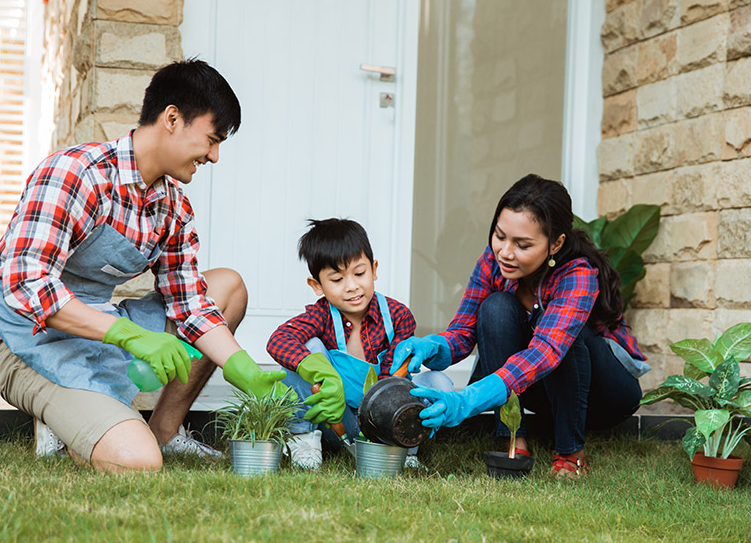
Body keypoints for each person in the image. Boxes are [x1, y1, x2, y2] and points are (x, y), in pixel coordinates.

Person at [0, 59, 289, 473]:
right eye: (212, 139)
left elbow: (192, 306)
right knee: (137, 462)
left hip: (101, 329)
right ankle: (71, 417)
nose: (214, 157)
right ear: (172, 118)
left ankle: (162, 432)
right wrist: (129, 335)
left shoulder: (174, 207)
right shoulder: (76, 174)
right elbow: (26, 285)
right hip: (28, 340)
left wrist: (241, 367)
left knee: (226, 287)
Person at [394, 174, 650, 478]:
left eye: (522, 244)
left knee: (568, 336)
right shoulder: (493, 262)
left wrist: (467, 400)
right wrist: (430, 347)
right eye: (500, 236)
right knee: (495, 308)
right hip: (544, 390)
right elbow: (463, 332)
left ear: (555, 243)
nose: (505, 252)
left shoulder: (577, 274)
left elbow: (547, 352)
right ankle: (513, 442)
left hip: (604, 395)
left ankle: (571, 453)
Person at [266, 218, 443, 469]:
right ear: (317, 285)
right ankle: (303, 439)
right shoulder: (322, 315)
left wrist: (387, 425)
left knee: (438, 382)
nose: (352, 287)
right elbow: (279, 340)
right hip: (338, 421)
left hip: (388, 420)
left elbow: (393, 379)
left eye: (360, 273)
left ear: (374, 269)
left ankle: (406, 451)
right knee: (310, 347)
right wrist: (320, 372)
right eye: (337, 280)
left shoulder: (398, 316)